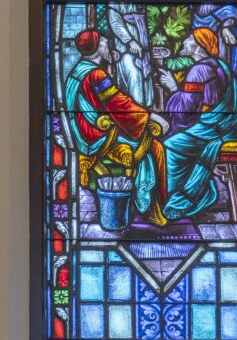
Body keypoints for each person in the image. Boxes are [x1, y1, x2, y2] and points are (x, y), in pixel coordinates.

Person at [65, 29, 167, 227]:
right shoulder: (95, 74)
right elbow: (117, 104)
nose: (107, 45)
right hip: (99, 136)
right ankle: (151, 208)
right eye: (103, 43)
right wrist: (149, 116)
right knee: (154, 148)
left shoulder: (78, 71)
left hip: (83, 133)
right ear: (95, 50)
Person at [159, 27, 237, 220]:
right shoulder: (219, 65)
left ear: (198, 47)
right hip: (225, 125)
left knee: (170, 146)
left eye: (189, 38)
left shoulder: (199, 70)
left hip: (211, 128)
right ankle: (199, 190)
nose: (184, 42)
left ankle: (189, 197)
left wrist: (173, 88)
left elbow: (186, 111)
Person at [107, 0, 170, 107]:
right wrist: (129, 41)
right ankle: (134, 118)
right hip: (125, 41)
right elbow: (114, 18)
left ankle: (146, 114)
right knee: (133, 74)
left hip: (143, 38)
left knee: (145, 76)